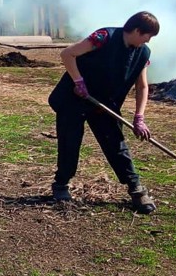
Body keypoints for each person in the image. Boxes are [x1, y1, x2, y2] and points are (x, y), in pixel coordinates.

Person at [47, 11, 160, 214]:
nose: (148, 41)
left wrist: (139, 117)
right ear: (136, 30)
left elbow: (142, 86)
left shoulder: (142, 53)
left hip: (104, 104)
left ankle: (136, 189)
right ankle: (61, 184)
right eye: (148, 36)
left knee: (116, 144)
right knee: (70, 142)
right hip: (74, 99)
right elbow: (67, 54)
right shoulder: (104, 37)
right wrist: (78, 81)